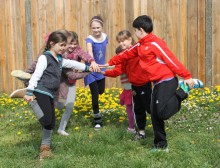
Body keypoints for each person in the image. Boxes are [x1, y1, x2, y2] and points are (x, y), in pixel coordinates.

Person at [101, 15, 203, 152]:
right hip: (157, 82)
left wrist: (187, 76)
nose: (135, 33)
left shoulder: (155, 43)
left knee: (162, 113)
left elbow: (170, 59)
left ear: (140, 30)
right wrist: (107, 64)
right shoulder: (140, 45)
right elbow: (125, 54)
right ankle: (161, 145)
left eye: (135, 30)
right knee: (155, 114)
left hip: (167, 80)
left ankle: (183, 91)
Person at [23, 31, 95, 160]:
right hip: (41, 90)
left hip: (50, 93)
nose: (63, 48)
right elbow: (37, 74)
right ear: (52, 44)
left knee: (51, 122)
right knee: (47, 120)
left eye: (64, 45)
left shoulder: (60, 59)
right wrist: (29, 92)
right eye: (61, 45)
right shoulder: (44, 58)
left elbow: (73, 64)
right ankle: (31, 102)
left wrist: (88, 67)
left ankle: (45, 148)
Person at [101, 30, 152, 138]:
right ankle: (141, 131)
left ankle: (158, 127)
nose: (121, 43)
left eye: (123, 41)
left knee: (149, 107)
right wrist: (103, 72)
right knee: (138, 108)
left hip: (144, 83)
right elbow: (117, 70)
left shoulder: (138, 50)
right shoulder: (123, 56)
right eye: (119, 42)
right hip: (134, 85)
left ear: (130, 40)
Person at [57, 31, 100, 136]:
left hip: (71, 83)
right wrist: (88, 71)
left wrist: (92, 61)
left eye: (75, 43)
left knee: (70, 106)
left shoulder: (77, 50)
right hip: (61, 83)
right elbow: (70, 74)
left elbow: (84, 55)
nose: (72, 46)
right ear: (65, 43)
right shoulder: (62, 54)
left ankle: (61, 129)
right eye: (70, 43)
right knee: (59, 105)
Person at [84, 15, 108, 130]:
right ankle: (97, 120)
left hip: (101, 70)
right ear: (91, 28)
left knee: (101, 91)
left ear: (102, 27)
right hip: (91, 70)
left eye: (98, 27)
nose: (96, 30)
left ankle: (97, 114)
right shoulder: (89, 39)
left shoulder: (105, 37)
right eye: (94, 28)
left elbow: (102, 52)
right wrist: (92, 62)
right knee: (95, 95)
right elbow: (89, 51)